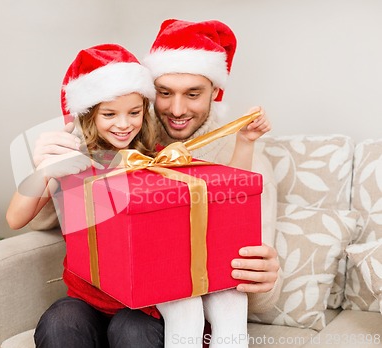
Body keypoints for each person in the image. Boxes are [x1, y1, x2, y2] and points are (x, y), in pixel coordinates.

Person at [26, 19, 282, 348]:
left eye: (193, 93)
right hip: (98, 296)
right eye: (165, 93)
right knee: (61, 322)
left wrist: (265, 276)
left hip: (160, 307)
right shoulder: (127, 142)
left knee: (136, 329)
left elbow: (252, 281)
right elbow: (39, 220)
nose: (177, 109)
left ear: (215, 93)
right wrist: (48, 165)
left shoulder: (247, 162)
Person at [6, 43, 163, 347]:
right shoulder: (71, 162)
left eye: (134, 112)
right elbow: (15, 218)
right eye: (109, 114)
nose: (123, 123)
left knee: (133, 331)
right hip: (86, 298)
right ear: (89, 114)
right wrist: (44, 171)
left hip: (143, 304)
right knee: (59, 322)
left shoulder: (156, 160)